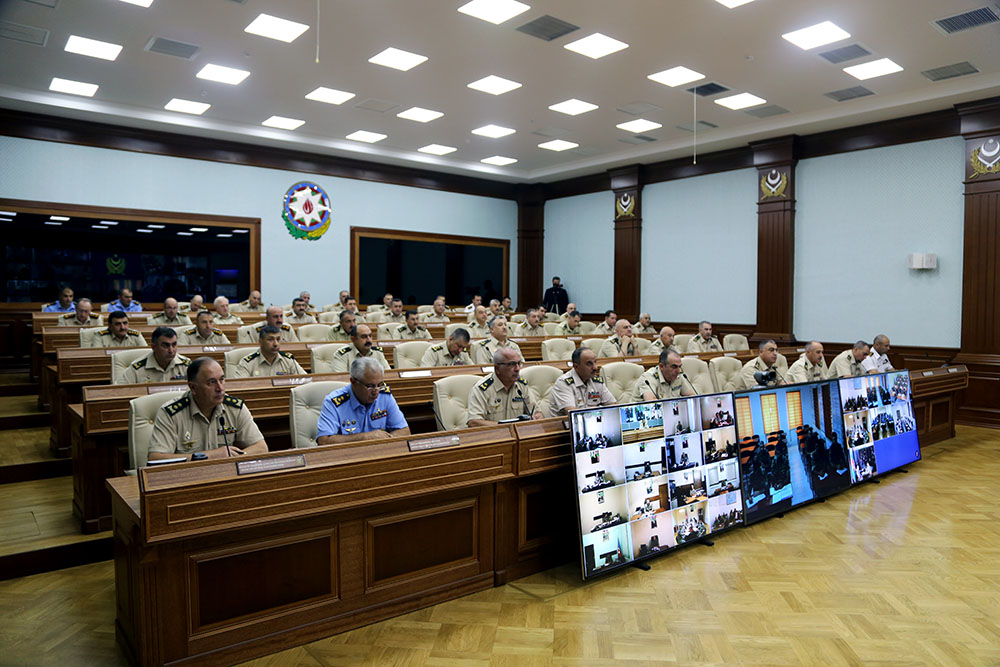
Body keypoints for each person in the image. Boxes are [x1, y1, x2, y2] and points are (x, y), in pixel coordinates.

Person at [147, 357, 268, 461]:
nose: (220, 388)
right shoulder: (171, 414)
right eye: (211, 382)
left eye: (221, 379)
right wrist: (211, 456)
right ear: (193, 388)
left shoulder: (235, 408)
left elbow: (261, 448)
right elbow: (156, 458)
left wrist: (235, 457)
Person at [316, 357, 410, 443]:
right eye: (370, 386)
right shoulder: (334, 402)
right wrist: (364, 437)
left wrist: (383, 440)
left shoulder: (384, 396)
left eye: (380, 385)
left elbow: (404, 431)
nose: (376, 391)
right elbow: (324, 441)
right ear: (353, 382)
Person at [467, 348, 542, 426]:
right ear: (497, 368)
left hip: (519, 435)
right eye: (512, 364)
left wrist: (537, 417)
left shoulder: (521, 386)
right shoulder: (481, 389)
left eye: (519, 363)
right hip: (492, 436)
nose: (517, 369)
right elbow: (474, 422)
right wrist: (506, 429)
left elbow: (537, 413)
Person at [548, 347, 617, 417]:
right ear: (576, 366)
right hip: (564, 426)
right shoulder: (563, 383)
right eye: (589, 364)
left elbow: (614, 406)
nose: (595, 367)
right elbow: (573, 415)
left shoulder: (596, 381)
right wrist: (599, 411)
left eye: (595, 362)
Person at [116, 327, 190, 384]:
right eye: (165, 346)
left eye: (174, 345)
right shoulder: (137, 368)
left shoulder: (186, 365)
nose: (171, 350)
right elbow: (119, 391)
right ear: (153, 347)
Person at [232, 325, 306, 378]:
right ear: (261, 342)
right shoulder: (247, 363)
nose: (275, 344)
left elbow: (305, 380)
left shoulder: (289, 360)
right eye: (270, 339)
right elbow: (239, 387)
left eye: (278, 339)